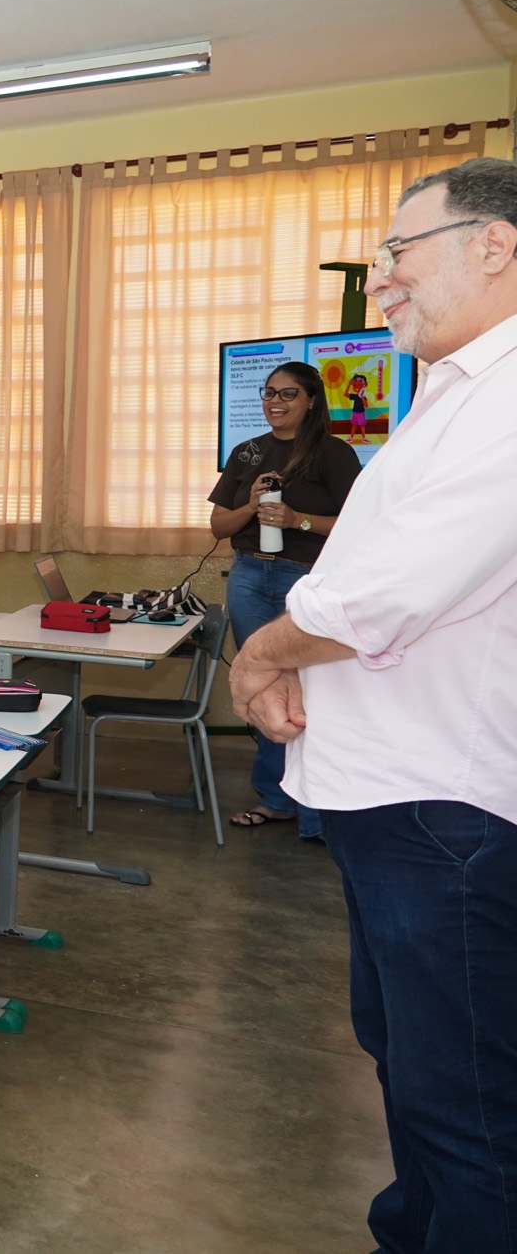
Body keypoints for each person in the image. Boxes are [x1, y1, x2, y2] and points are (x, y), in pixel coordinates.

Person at [231, 159, 517, 1253]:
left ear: (493, 245)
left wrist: (263, 651)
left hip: (441, 805)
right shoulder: (455, 390)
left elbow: (385, 594)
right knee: (408, 1060)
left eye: (399, 251)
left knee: (467, 1102)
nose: (383, 278)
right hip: (391, 800)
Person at [209, 359, 361, 837]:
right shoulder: (248, 452)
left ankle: (318, 812)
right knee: (264, 688)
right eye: (269, 392)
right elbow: (218, 526)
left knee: (312, 693)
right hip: (250, 577)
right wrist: (252, 505)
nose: (275, 402)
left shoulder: (334, 453)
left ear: (311, 401)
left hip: (309, 581)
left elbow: (359, 527)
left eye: (288, 393)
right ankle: (275, 799)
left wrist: (297, 520)